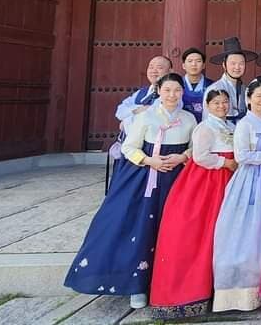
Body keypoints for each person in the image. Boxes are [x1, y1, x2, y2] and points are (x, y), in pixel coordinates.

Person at [65, 73, 194, 309]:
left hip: (176, 178)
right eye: (167, 91)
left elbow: (194, 146)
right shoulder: (145, 117)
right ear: (159, 92)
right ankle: (137, 285)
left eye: (177, 90)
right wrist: (149, 161)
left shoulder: (188, 119)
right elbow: (129, 147)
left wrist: (183, 156)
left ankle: (166, 282)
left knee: (172, 230)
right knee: (140, 228)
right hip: (146, 178)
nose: (172, 95)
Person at [150, 89, 238, 313]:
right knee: (203, 229)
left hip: (228, 178)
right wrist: (224, 163)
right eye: (216, 103)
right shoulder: (205, 127)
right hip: (208, 180)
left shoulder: (231, 126)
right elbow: (200, 156)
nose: (221, 106)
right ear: (208, 105)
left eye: (224, 102)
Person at [212, 80, 261, 312]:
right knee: (247, 228)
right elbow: (242, 156)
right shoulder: (244, 124)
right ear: (249, 99)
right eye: (258, 96)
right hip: (249, 180)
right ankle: (241, 289)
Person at [204, 37, 259, 123]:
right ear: (224, 65)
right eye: (233, 63)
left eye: (241, 63)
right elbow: (207, 120)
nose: (237, 67)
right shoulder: (214, 88)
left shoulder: (245, 89)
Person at [114, 55, 172, 133]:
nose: (154, 71)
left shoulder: (172, 93)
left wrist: (126, 121)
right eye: (151, 67)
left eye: (159, 68)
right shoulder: (141, 92)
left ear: (170, 71)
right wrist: (138, 110)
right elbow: (120, 112)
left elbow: (155, 114)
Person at [180, 48, 212, 121]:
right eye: (190, 61)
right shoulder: (176, 84)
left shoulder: (212, 86)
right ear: (183, 66)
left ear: (204, 65)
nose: (194, 64)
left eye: (198, 61)